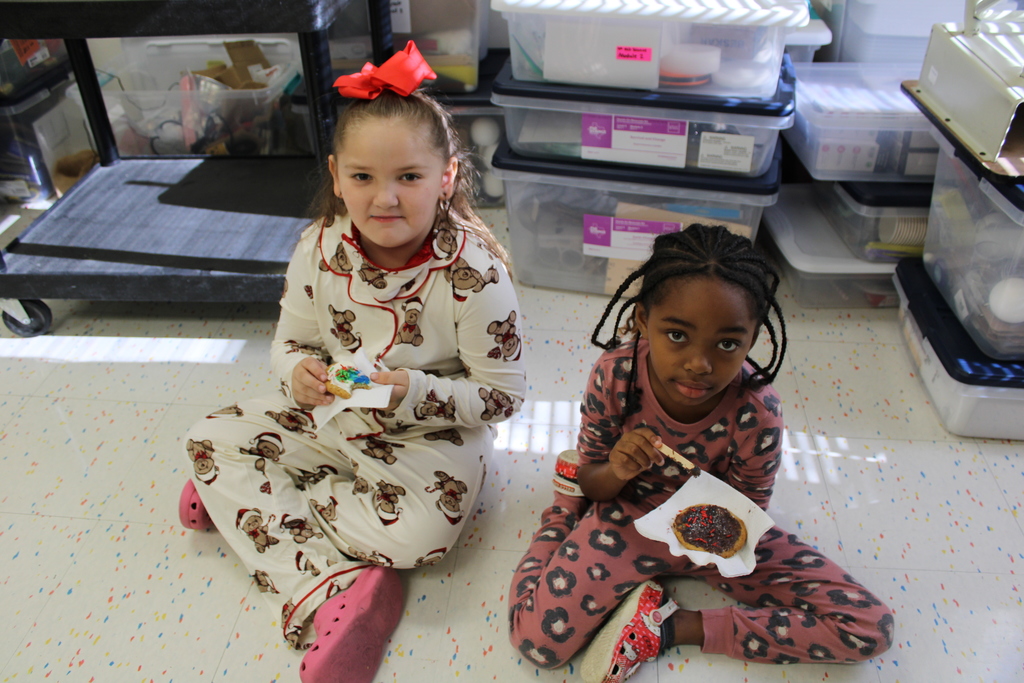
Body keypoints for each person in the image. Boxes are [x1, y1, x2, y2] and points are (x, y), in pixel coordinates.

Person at [177, 42, 526, 683]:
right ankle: (339, 579)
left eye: (409, 178)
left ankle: (260, 505)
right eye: (363, 178)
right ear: (336, 176)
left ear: (446, 177)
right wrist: (298, 375)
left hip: (433, 433)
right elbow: (290, 344)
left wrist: (413, 391)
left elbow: (503, 398)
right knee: (204, 439)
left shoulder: (475, 272)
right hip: (336, 417)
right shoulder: (318, 246)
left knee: (425, 538)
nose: (384, 199)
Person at [507, 225, 892, 682]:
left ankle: (666, 625)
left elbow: (748, 510)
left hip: (713, 531)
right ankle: (562, 508)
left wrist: (701, 548)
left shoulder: (758, 411)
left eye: (727, 344)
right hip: (625, 513)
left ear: (752, 340)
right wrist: (613, 471)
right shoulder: (615, 376)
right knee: (536, 643)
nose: (699, 363)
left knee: (870, 628)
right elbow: (595, 481)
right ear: (642, 321)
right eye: (677, 335)